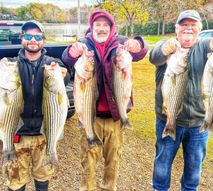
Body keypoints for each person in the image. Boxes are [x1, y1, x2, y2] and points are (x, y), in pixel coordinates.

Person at [62, 10, 148, 191]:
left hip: (114, 117)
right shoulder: (85, 44)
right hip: (90, 117)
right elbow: (67, 57)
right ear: (91, 28)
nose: (101, 29)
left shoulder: (120, 43)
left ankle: (109, 187)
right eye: (97, 25)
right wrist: (72, 51)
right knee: (88, 160)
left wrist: (138, 43)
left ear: (112, 28)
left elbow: (141, 52)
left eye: (105, 25)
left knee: (113, 159)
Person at [149, 10, 213, 191]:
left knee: (194, 169)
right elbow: (154, 56)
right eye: (184, 25)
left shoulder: (203, 46)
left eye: (192, 25)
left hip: (198, 122)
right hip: (168, 120)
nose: (188, 28)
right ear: (177, 28)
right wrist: (164, 49)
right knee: (162, 164)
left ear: (199, 28)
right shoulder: (169, 47)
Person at [0, 20, 67, 191]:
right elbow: (0, 90)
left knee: (43, 178)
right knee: (16, 182)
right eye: (28, 36)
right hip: (17, 136)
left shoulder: (52, 63)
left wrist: (63, 74)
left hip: (43, 134)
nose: (33, 39)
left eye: (37, 36)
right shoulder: (12, 64)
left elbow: (62, 78)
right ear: (21, 38)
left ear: (43, 40)